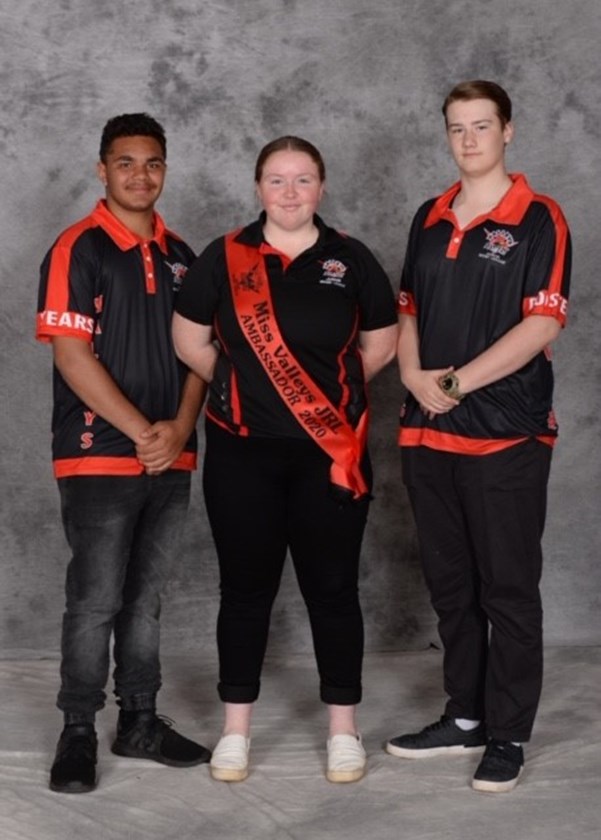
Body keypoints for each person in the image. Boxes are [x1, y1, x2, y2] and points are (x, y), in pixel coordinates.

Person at [172, 136, 398, 783]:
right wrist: (240, 386)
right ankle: (235, 732)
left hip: (329, 455)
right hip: (241, 456)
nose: (290, 192)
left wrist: (321, 401)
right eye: (277, 180)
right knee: (245, 591)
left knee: (333, 590)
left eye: (303, 180)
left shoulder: (351, 258)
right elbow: (189, 339)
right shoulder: (224, 256)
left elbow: (380, 345)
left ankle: (343, 731)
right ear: (258, 188)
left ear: (321, 187)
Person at [386, 80, 571, 793]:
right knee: (451, 588)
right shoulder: (429, 216)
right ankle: (464, 716)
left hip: (505, 435)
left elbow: (542, 322)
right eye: (457, 128)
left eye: (481, 126)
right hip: (428, 432)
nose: (468, 140)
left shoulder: (539, 218)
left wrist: (457, 382)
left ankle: (509, 734)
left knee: (507, 590)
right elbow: (407, 308)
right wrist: (413, 377)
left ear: (507, 131)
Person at [36, 113, 211, 794]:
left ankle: (138, 720)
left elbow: (201, 356)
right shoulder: (78, 247)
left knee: (146, 600)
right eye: (126, 162)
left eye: (153, 162)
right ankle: (78, 729)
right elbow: (71, 355)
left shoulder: (183, 256)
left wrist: (180, 428)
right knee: (95, 601)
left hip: (171, 456)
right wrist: (143, 430)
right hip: (99, 454)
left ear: (165, 169)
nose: (141, 175)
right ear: (102, 169)